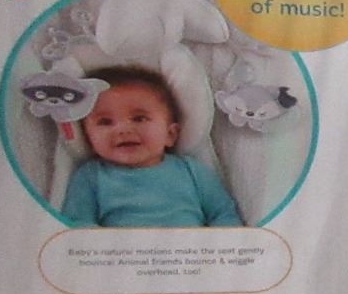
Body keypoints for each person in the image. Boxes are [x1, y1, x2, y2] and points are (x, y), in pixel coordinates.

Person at [61, 65, 243, 227]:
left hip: (188, 251)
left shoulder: (191, 171)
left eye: (139, 118)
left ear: (170, 134)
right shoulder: (91, 176)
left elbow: (224, 214)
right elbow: (78, 224)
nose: (123, 130)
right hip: (120, 252)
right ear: (88, 139)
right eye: (105, 122)